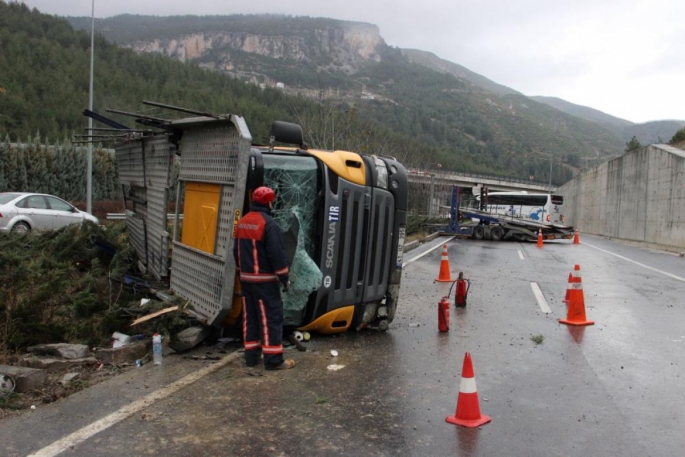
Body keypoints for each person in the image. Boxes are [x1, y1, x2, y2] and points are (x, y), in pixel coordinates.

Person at [233, 186, 295, 370]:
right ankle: (274, 360)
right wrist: (284, 277)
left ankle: (251, 357)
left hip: (246, 280)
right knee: (270, 319)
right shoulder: (268, 224)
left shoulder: (242, 222)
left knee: (250, 317)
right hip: (265, 282)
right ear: (269, 202)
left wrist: (242, 270)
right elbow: (276, 254)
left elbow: (235, 251)